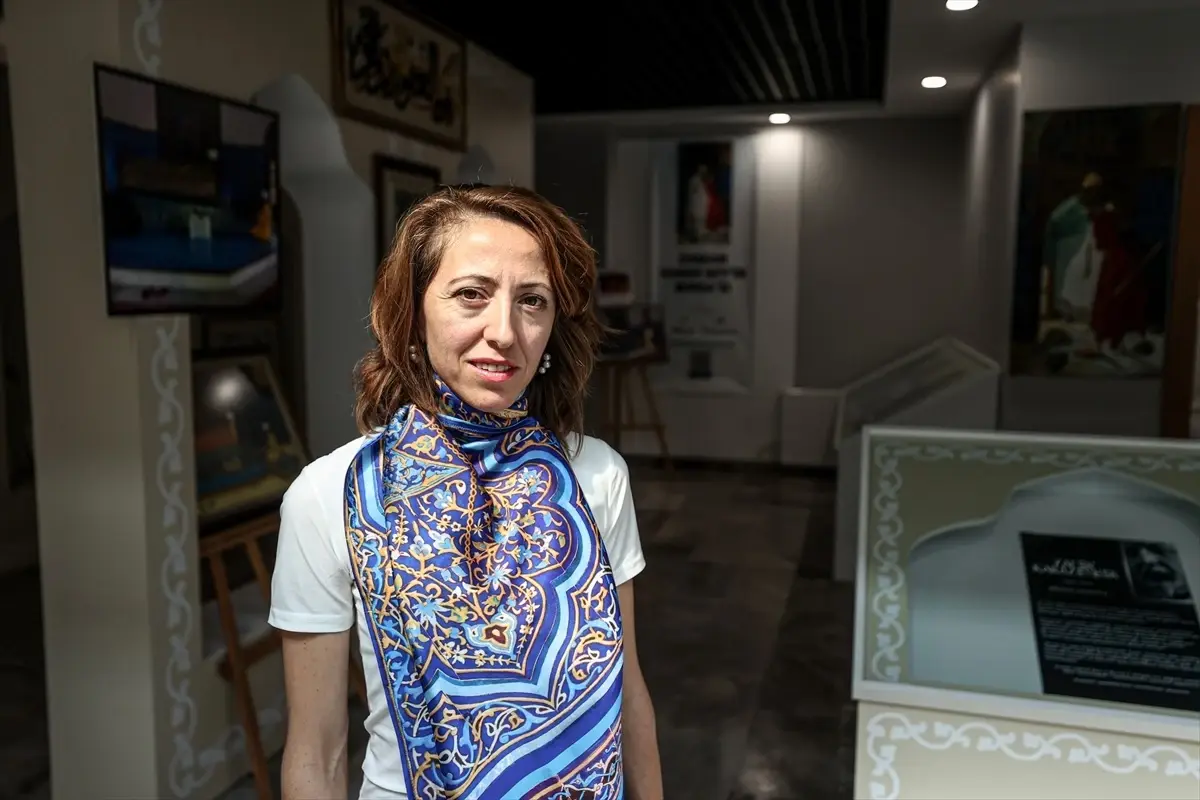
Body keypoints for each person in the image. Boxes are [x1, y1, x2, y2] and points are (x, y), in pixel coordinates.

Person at [268, 184, 663, 800]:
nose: (504, 331)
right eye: (471, 294)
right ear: (413, 313)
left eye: (532, 301)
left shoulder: (598, 477)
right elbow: (317, 752)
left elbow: (627, 690)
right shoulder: (329, 495)